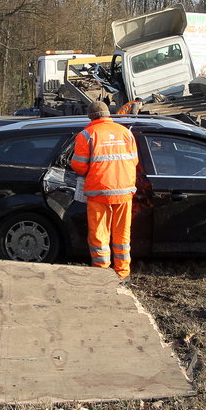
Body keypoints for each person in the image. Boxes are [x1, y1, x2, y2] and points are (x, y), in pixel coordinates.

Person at [71, 101, 138, 280]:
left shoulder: (86, 134)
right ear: (109, 114)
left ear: (90, 117)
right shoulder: (126, 133)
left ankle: (101, 275)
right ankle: (122, 273)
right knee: (122, 234)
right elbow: (134, 162)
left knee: (99, 235)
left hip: (99, 191)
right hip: (124, 191)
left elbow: (79, 166)